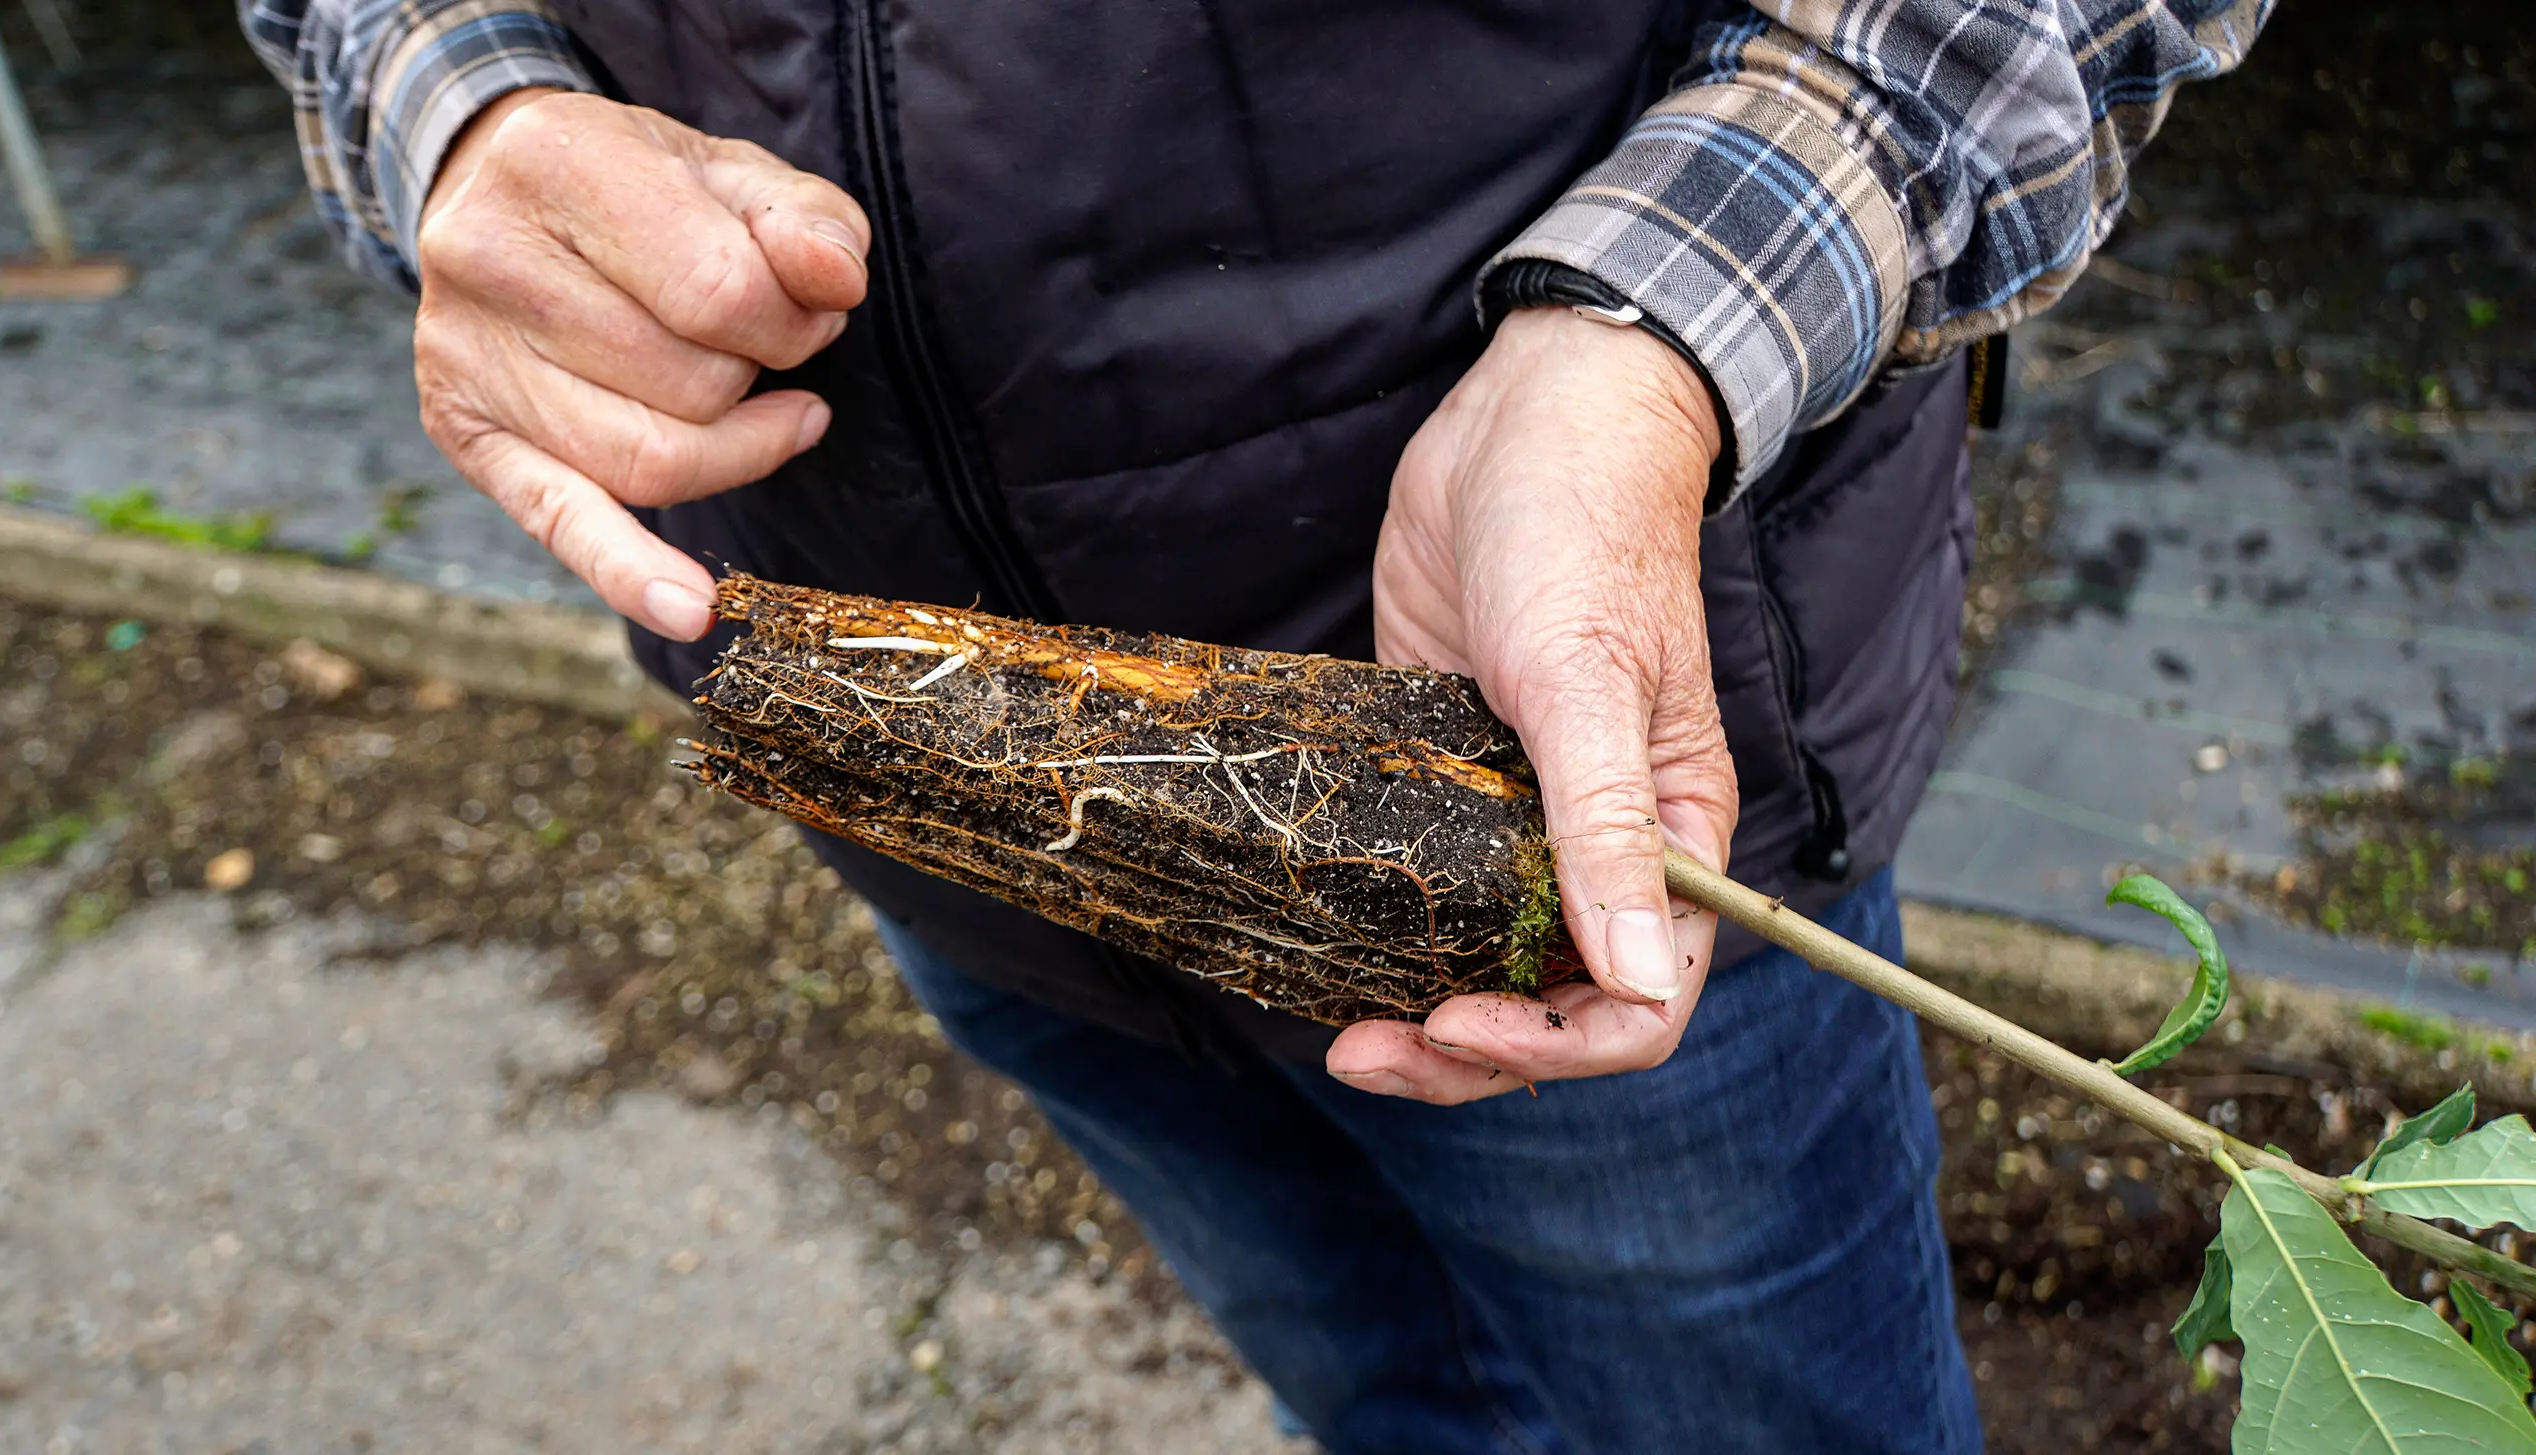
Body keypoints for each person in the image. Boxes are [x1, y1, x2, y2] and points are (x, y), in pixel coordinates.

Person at [244, 2, 2264, 1447]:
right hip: (914, 744)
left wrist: (1657, 340)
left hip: (1533, 763)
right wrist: (455, 105)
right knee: (1379, 1388)